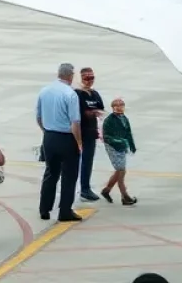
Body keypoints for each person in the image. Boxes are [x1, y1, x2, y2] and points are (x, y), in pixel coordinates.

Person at [36, 62, 83, 222]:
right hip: (66, 138)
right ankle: (65, 211)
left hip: (49, 137)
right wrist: (79, 143)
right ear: (70, 75)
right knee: (69, 176)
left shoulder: (45, 91)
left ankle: (44, 208)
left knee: (51, 173)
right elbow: (75, 123)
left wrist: (47, 132)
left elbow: (39, 118)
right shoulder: (70, 94)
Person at [75, 66, 105, 201]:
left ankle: (85, 188)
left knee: (87, 161)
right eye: (86, 78)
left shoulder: (95, 94)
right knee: (75, 161)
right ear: (81, 79)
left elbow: (101, 109)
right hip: (79, 132)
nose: (89, 81)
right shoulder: (77, 94)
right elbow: (77, 113)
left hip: (91, 132)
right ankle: (79, 188)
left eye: (91, 78)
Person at [100, 97, 137, 205]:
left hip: (122, 147)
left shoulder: (124, 118)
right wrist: (119, 141)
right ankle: (125, 196)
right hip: (112, 147)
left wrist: (131, 145)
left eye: (121, 105)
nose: (119, 107)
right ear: (112, 108)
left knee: (120, 171)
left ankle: (106, 190)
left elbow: (128, 133)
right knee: (121, 171)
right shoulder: (109, 120)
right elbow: (106, 137)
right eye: (116, 105)